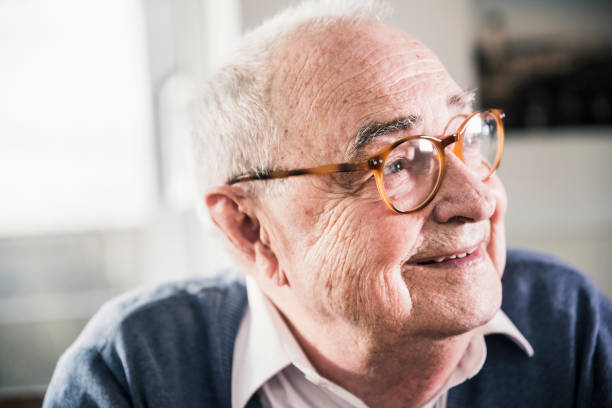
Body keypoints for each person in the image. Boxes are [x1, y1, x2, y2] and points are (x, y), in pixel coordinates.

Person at [43, 1, 612, 407]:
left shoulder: (570, 320)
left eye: (465, 137)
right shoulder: (130, 372)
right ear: (250, 229)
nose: (476, 199)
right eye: (397, 161)